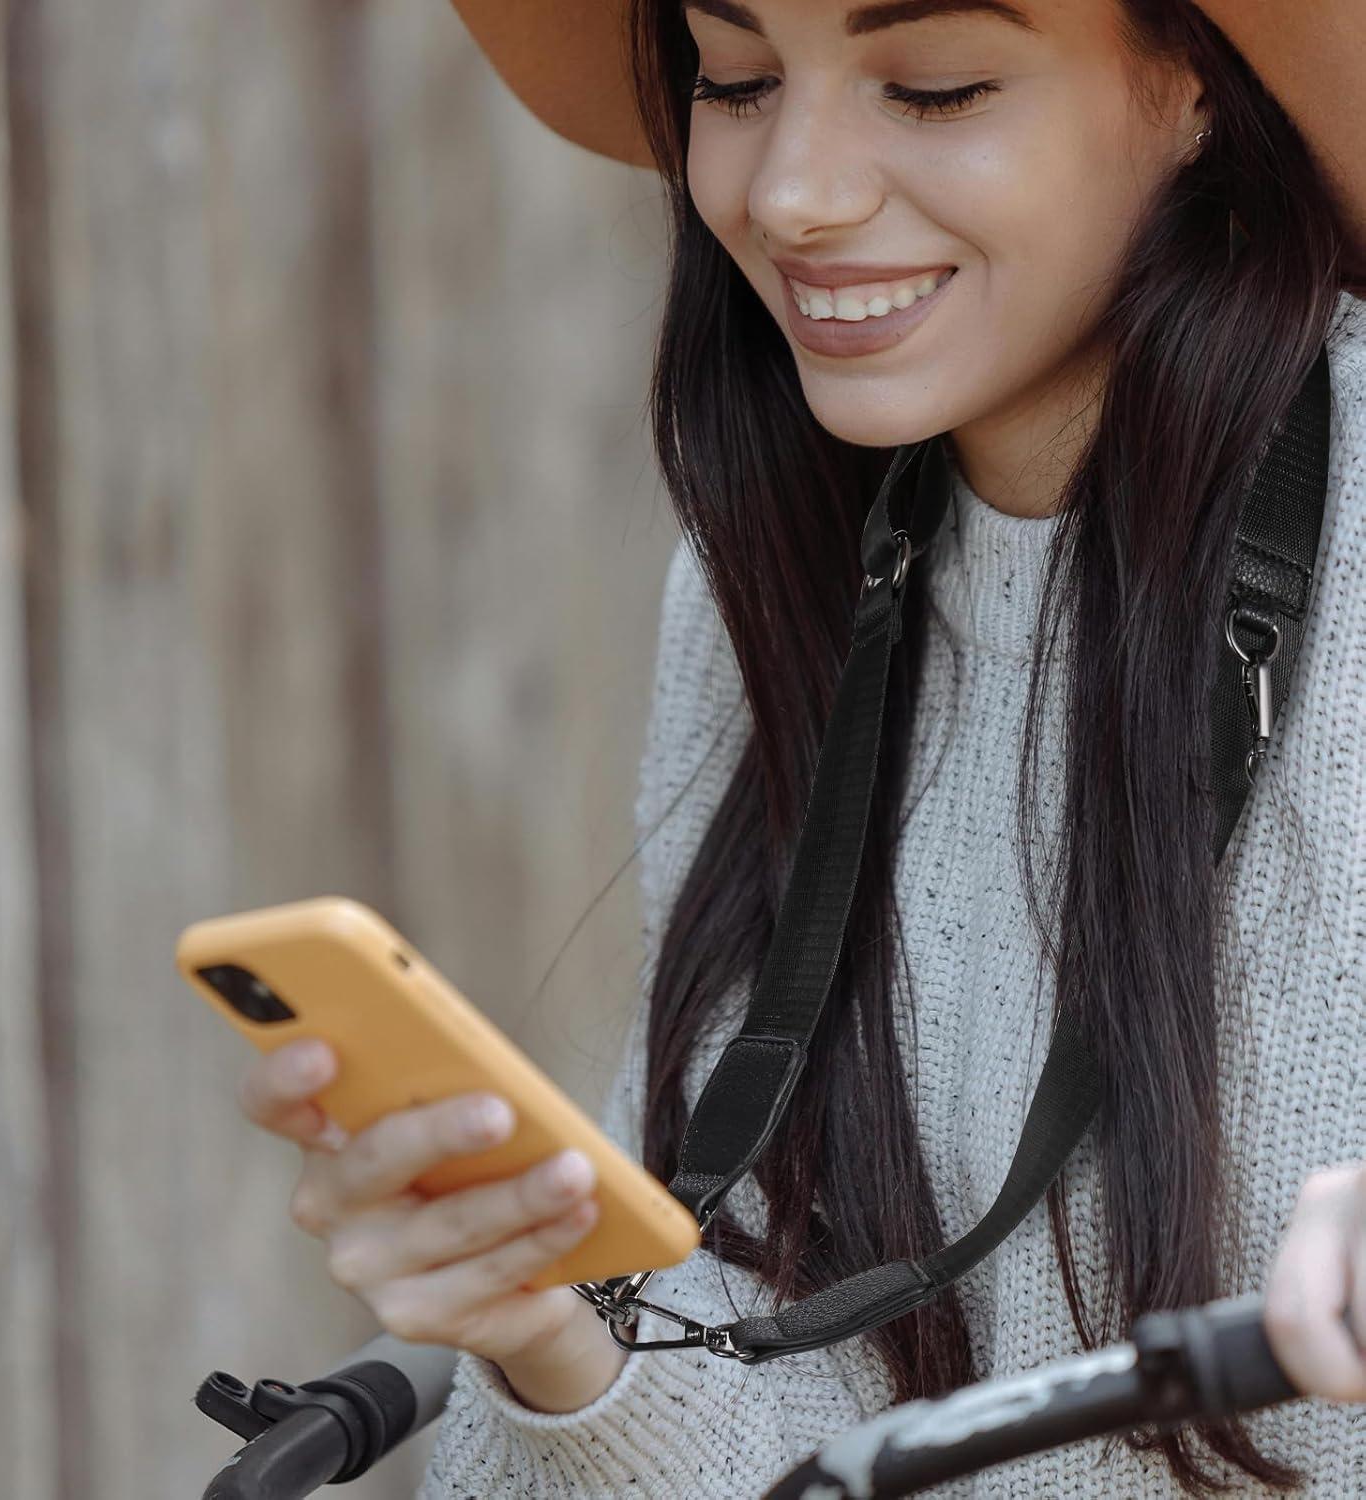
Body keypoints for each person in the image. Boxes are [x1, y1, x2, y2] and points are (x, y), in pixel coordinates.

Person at [236, 0, 1366, 1493]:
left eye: (938, 87)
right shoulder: (775, 568)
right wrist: (552, 1335)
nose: (791, 195)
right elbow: (804, 1430)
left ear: (1200, 90)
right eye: (741, 78)